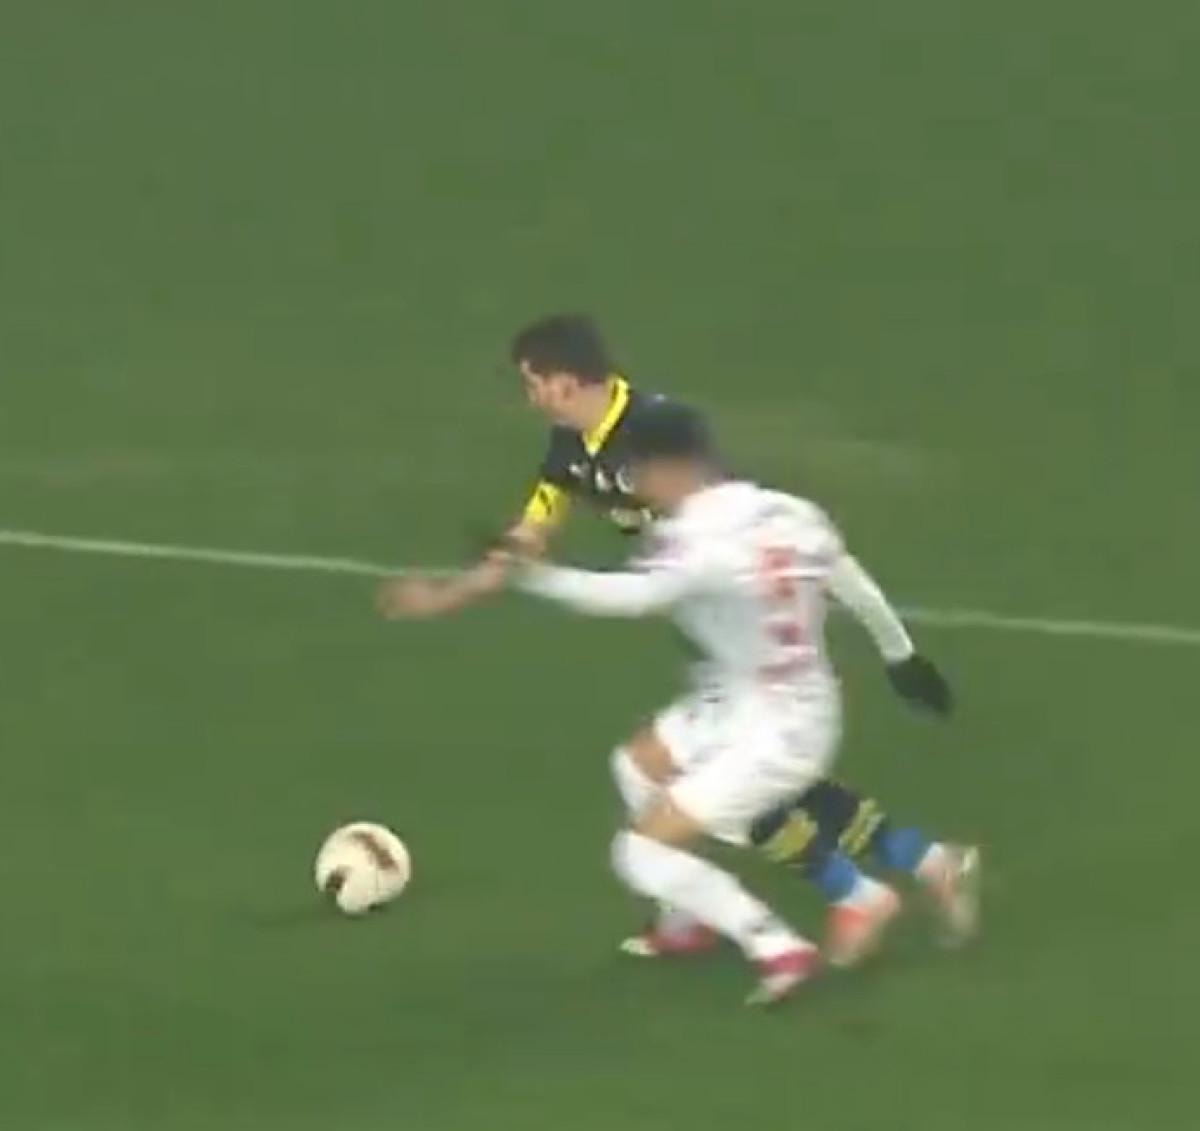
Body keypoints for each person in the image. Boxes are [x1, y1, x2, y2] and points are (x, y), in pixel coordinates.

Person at [380, 315, 978, 959]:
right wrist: (450, 594)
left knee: (735, 785)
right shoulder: (569, 449)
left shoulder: (658, 435)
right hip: (708, 632)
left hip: (746, 633)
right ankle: (918, 865)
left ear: (563, 382)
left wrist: (898, 653)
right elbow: (525, 543)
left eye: (532, 382)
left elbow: (804, 552)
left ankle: (852, 895)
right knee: (732, 778)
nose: (528, 398)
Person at [502, 400, 967, 1001]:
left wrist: (536, 577)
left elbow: (633, 597)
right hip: (755, 700)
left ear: (667, 468)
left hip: (772, 725)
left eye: (637, 470)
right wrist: (901, 656)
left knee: (640, 851)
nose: (634, 484)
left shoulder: (695, 540)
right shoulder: (791, 512)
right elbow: (850, 581)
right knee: (638, 767)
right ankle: (690, 921)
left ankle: (779, 944)